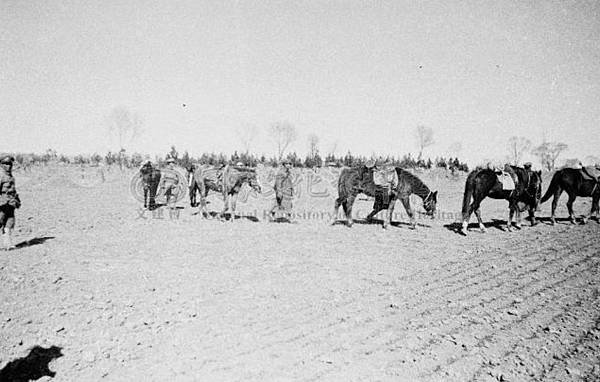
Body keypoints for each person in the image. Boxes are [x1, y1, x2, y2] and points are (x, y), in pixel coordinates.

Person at [0, 156, 21, 250]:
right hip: (2, 203)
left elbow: (13, 190)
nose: (9, 166)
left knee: (9, 223)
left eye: (10, 164)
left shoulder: (11, 177)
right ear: (2, 165)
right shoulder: (1, 176)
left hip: (11, 202)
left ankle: (7, 244)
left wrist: (17, 200)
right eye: (6, 164)